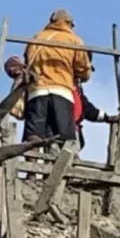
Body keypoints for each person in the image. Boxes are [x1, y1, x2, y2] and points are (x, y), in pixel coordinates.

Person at [22, 9, 93, 146]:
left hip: (37, 90)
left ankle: (34, 157)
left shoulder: (37, 38)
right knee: (63, 138)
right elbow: (83, 69)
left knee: (33, 138)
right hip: (62, 91)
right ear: (68, 23)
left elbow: (27, 60)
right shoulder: (74, 40)